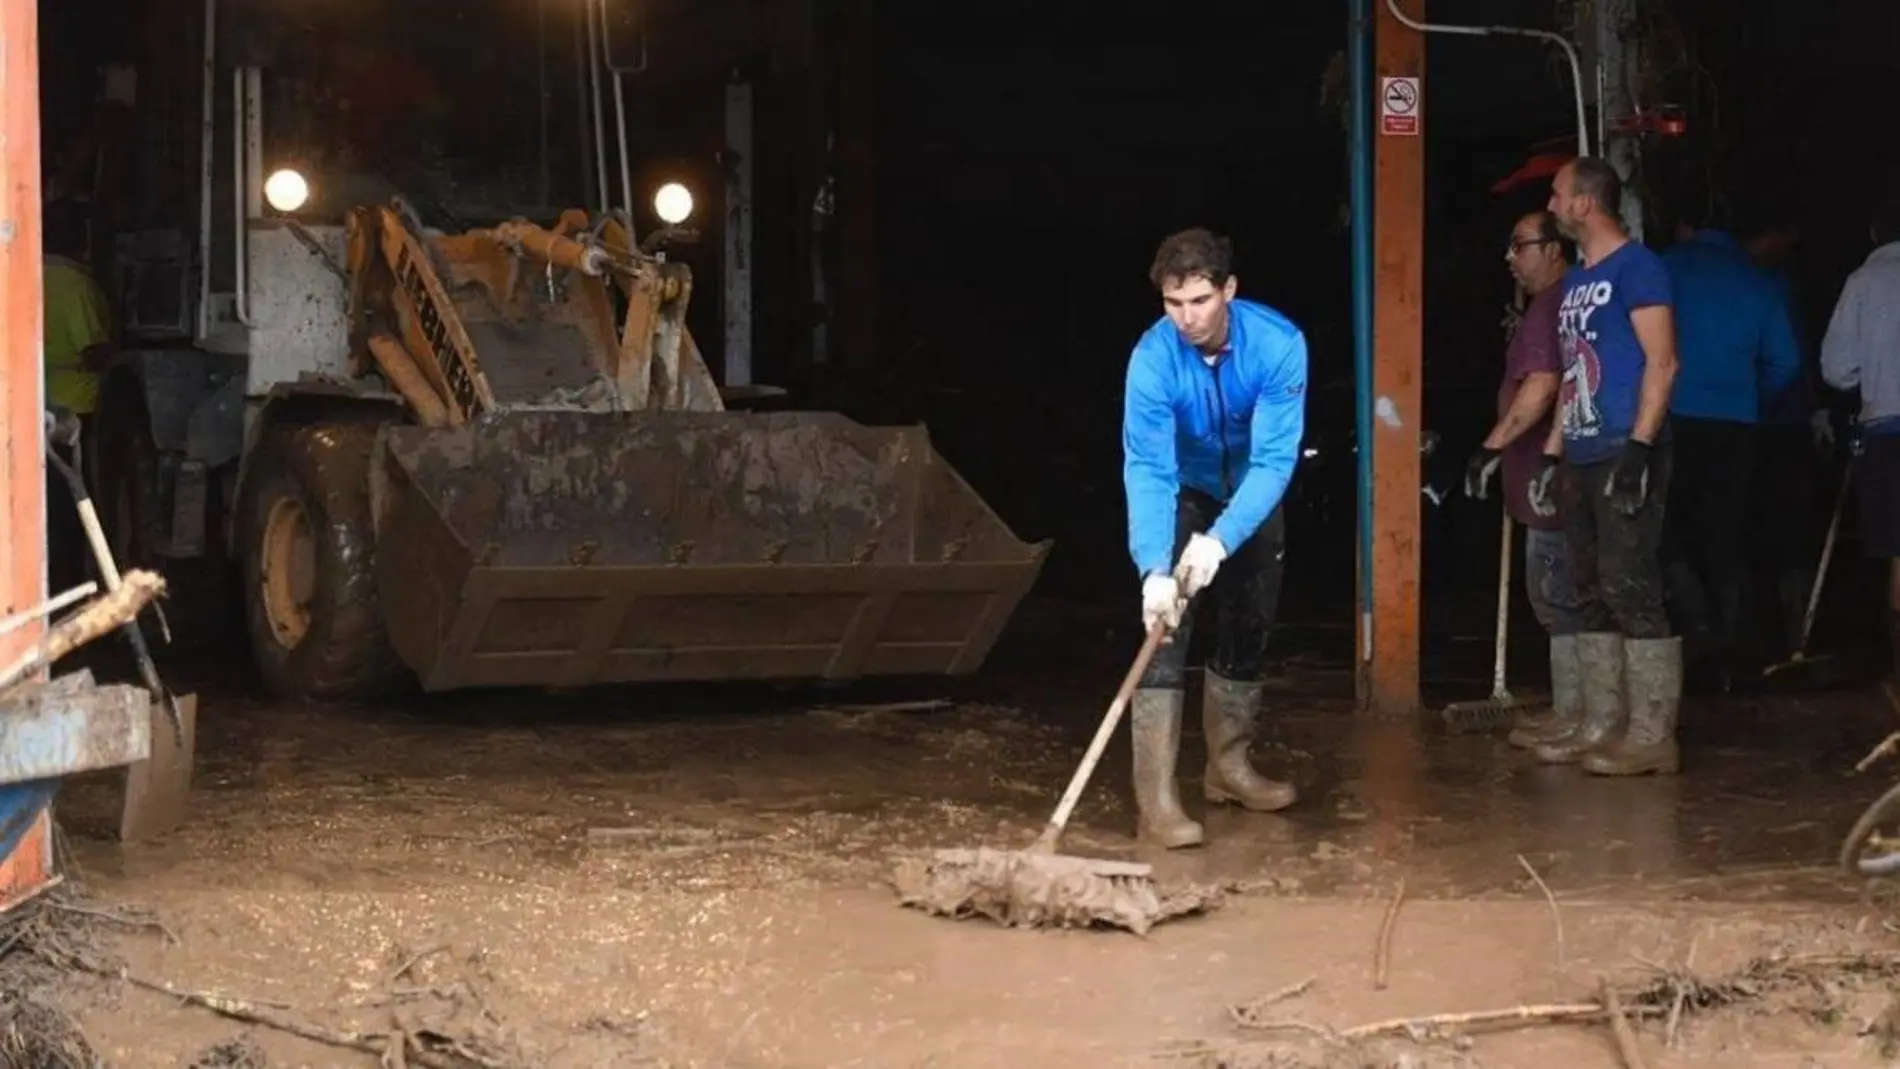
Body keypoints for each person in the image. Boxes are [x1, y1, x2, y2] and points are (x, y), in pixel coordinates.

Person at [1122, 227, 1306, 848]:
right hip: (1182, 490)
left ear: (1229, 290)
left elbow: (1276, 461)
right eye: (1173, 304)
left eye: (1200, 301)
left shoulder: (1279, 346)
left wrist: (1222, 538)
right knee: (1165, 629)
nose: (1187, 318)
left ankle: (1228, 768)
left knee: (1250, 620)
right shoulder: (1152, 359)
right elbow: (1146, 466)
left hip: (1251, 492)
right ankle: (1157, 800)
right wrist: (1154, 565)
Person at [1526, 157, 1682, 775]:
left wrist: (1641, 448)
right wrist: (1552, 453)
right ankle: (1599, 723)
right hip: (1585, 449)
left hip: (1623, 445)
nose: (1554, 203)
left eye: (1559, 194)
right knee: (1588, 587)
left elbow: (1662, 361)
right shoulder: (1576, 283)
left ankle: (1652, 736)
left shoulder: (1638, 268)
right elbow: (1574, 373)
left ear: (1586, 203)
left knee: (1630, 584)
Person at [1656, 212, 1802, 691]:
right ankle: (1730, 648)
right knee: (1725, 532)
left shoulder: (1663, 268)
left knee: (1669, 528)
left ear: (1685, 227)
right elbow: (1787, 360)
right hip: (1737, 423)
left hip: (1672, 416)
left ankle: (1694, 628)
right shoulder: (1758, 280)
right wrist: (1752, 397)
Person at [1463, 210, 1585, 749]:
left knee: (1560, 594)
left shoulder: (1552, 305)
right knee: (1561, 593)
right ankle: (1574, 709)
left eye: (1520, 246)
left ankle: (1576, 714)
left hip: (1549, 478)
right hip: (1544, 477)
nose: (1510, 258)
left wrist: (1491, 446)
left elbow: (1541, 385)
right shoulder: (1551, 306)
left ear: (1554, 249)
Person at [1743, 212, 1836, 664]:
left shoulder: (1783, 283)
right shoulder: (1753, 284)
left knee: (1791, 529)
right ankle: (1774, 635)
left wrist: (1815, 409)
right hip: (1756, 422)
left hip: (1782, 422)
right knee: (1766, 529)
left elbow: (1800, 354)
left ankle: (1794, 633)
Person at [1820, 192, 1900, 681]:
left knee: (1899, 551)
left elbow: (1837, 370)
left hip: (1889, 432)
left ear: (1874, 233)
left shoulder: (1864, 282)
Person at [42, 199, 115, 592]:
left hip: (36, 405)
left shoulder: (21, 272)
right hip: (76, 411)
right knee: (73, 510)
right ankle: (70, 591)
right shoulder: (74, 283)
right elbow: (93, 352)